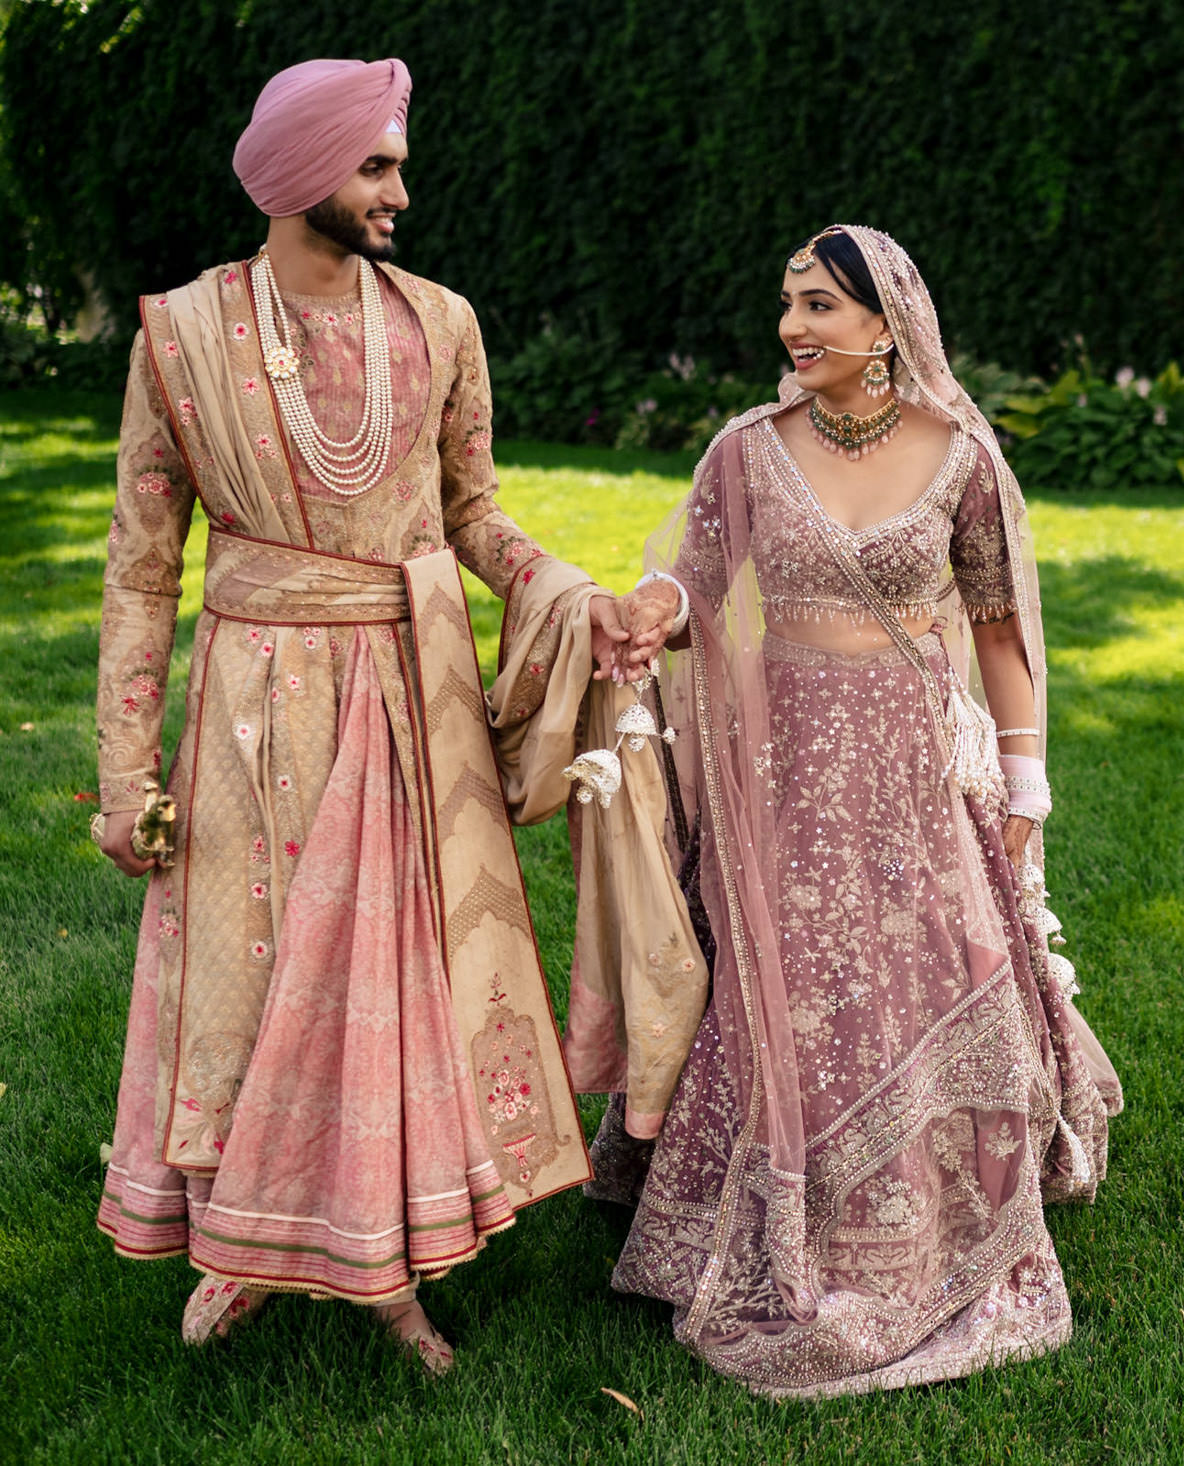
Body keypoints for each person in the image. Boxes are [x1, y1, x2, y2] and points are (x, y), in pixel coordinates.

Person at [90, 57, 633, 1373]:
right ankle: (244, 1248)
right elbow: (142, 565)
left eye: (399, 161)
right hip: (249, 705)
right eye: (376, 164)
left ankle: (382, 1262)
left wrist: (569, 592)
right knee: (253, 978)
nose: (401, 187)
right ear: (295, 174)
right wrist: (122, 769)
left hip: (403, 698)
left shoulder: (442, 324)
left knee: (389, 986)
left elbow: (474, 517)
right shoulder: (180, 335)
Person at [582, 225, 1122, 1398]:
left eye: (820, 305)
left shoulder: (960, 457)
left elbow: (997, 628)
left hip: (914, 771)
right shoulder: (747, 451)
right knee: (795, 974)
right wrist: (645, 608)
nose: (793, 326)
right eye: (788, 302)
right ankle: (776, 1207)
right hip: (782, 775)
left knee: (923, 964)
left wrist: (1026, 782)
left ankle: (935, 1214)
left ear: (886, 327)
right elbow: (696, 577)